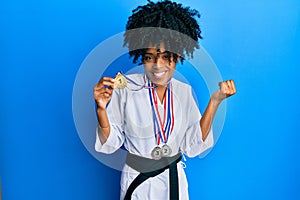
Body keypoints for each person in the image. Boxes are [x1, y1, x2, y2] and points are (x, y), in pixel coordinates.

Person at [93, 0, 236, 199]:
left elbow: (192, 146)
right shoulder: (125, 87)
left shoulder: (184, 91)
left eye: (166, 56)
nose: (157, 66)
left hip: (173, 180)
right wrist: (100, 109)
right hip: (137, 179)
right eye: (149, 57)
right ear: (141, 57)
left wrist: (215, 102)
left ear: (177, 56)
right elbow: (112, 142)